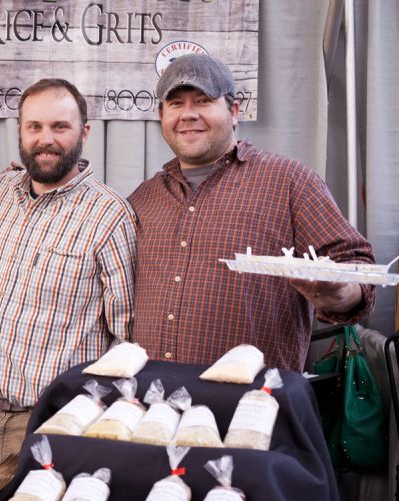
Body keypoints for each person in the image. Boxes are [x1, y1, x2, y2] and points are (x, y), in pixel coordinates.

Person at [127, 53, 375, 371]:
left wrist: (340, 292)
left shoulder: (289, 181)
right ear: (162, 115)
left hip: (252, 407)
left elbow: (358, 268)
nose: (188, 115)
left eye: (203, 101)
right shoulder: (143, 198)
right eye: (176, 104)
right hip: (155, 403)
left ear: (233, 111)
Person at [0, 79, 137, 477]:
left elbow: (126, 338)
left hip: (56, 422)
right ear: (20, 133)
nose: (46, 139)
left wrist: (92, 418)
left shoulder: (110, 216)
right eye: (35, 127)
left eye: (60, 127)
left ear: (85, 132)